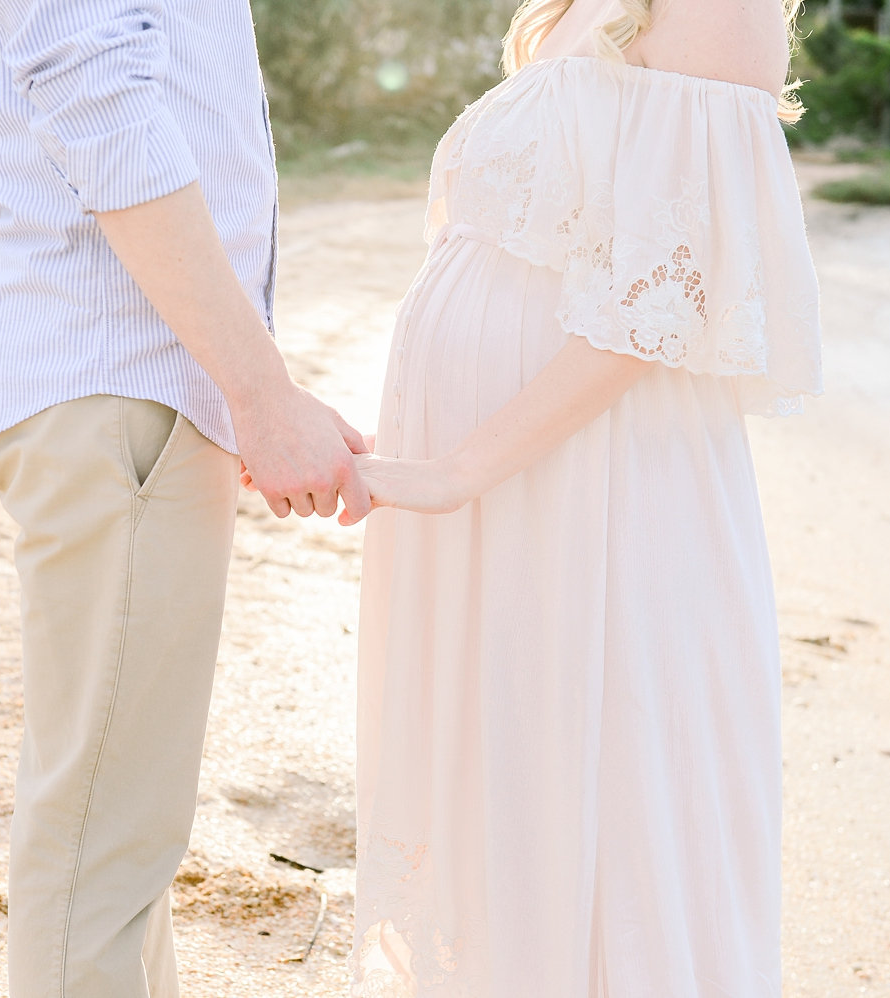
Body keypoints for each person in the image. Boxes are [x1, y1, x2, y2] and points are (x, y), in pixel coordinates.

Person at [341, 0, 823, 993]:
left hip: (598, 480)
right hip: (497, 476)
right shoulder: (572, 8)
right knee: (507, 774)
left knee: (603, 786)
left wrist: (464, 464)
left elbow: (674, 287)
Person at [0, 3, 370, 996]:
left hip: (142, 370)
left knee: (123, 825)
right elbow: (96, 97)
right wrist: (257, 390)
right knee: (103, 842)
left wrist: (239, 382)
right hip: (117, 364)